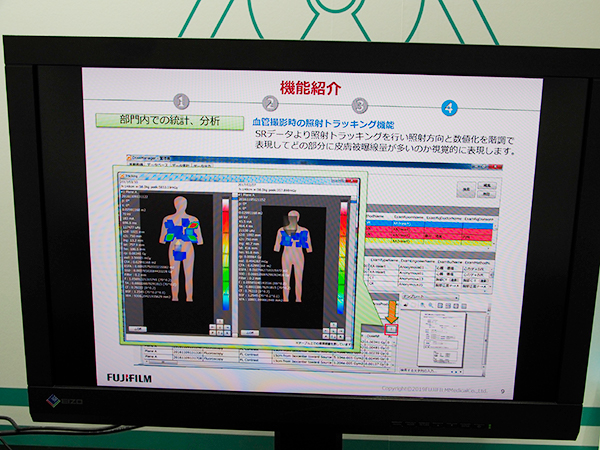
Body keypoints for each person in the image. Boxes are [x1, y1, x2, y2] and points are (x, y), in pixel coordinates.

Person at [159, 196, 203, 302]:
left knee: (178, 275)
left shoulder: (168, 219)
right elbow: (199, 240)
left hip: (179, 247)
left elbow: (162, 239)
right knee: (183, 275)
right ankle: (182, 298)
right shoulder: (193, 219)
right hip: (182, 247)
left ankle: (183, 298)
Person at [273, 210, 312, 302]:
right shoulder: (281, 230)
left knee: (299, 279)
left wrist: (308, 249)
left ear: (298, 219)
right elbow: (277, 247)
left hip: (299, 256)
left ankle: (298, 299)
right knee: (286, 280)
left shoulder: (304, 231)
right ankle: (285, 299)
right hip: (287, 256)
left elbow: (309, 247)